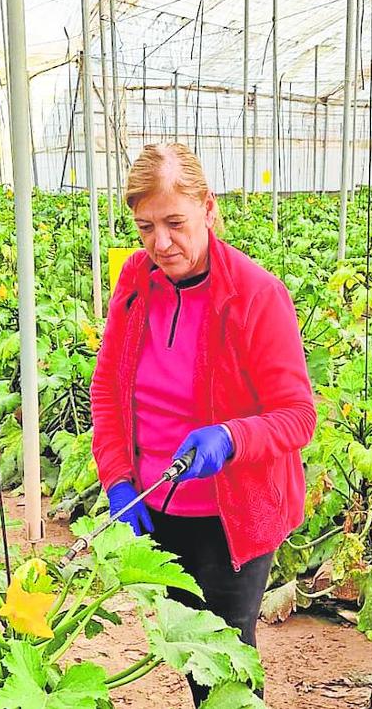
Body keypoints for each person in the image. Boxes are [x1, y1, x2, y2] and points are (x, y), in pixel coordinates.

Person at [90, 142, 316, 705]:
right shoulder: (134, 283)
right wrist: (118, 478)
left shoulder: (257, 295)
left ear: (208, 208)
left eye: (174, 223)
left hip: (230, 516)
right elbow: (107, 391)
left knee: (227, 662)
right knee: (191, 653)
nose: (160, 244)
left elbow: (298, 416)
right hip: (156, 507)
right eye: (145, 227)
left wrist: (233, 436)